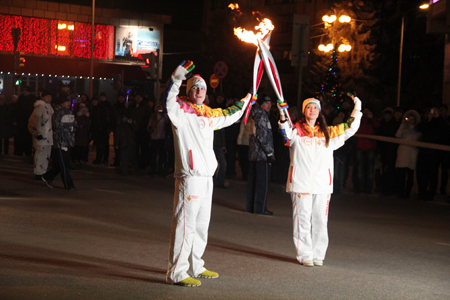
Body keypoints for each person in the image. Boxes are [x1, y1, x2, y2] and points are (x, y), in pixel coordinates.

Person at [164, 60, 251, 287]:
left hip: (206, 177)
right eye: (195, 88)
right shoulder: (180, 112)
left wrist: (246, 100)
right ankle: (177, 272)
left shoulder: (209, 114)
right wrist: (177, 78)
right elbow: (169, 100)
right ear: (189, 91)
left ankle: (196, 265)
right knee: (185, 224)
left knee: (202, 224)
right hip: (189, 176)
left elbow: (230, 114)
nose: (199, 91)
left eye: (202, 88)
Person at [278, 95, 362, 267]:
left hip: (322, 185)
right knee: (302, 219)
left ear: (319, 111)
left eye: (315, 107)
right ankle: (305, 255)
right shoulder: (296, 132)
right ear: (304, 111)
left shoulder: (328, 134)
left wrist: (357, 108)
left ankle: (318, 254)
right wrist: (282, 115)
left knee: (320, 220)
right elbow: (285, 133)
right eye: (309, 107)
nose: (312, 110)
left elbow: (350, 127)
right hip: (300, 183)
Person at [246, 95, 275, 215]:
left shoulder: (255, 115)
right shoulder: (262, 116)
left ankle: (251, 207)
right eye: (266, 103)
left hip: (253, 154)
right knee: (262, 182)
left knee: (253, 182)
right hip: (261, 155)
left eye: (270, 103)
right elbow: (262, 136)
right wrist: (269, 153)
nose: (269, 105)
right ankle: (260, 208)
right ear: (261, 104)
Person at [42, 94, 77, 190]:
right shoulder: (57, 112)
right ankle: (69, 184)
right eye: (67, 101)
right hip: (61, 142)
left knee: (60, 164)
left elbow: (75, 124)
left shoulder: (70, 112)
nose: (69, 103)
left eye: (70, 101)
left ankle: (47, 177)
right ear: (62, 102)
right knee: (64, 164)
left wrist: (72, 129)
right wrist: (69, 127)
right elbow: (57, 127)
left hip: (69, 141)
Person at [395, 110, 421, 199]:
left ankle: (407, 193)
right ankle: (400, 193)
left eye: (412, 119)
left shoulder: (418, 131)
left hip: (412, 155)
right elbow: (398, 135)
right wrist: (402, 124)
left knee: (410, 177)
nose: (410, 121)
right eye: (409, 119)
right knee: (401, 176)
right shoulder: (404, 128)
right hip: (403, 154)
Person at [28, 90, 54, 180]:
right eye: (47, 96)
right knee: (40, 154)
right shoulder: (40, 107)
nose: (49, 98)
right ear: (42, 97)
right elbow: (34, 120)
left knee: (46, 155)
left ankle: (43, 172)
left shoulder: (50, 108)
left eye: (50, 96)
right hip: (41, 135)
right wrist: (37, 133)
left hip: (48, 136)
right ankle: (38, 173)